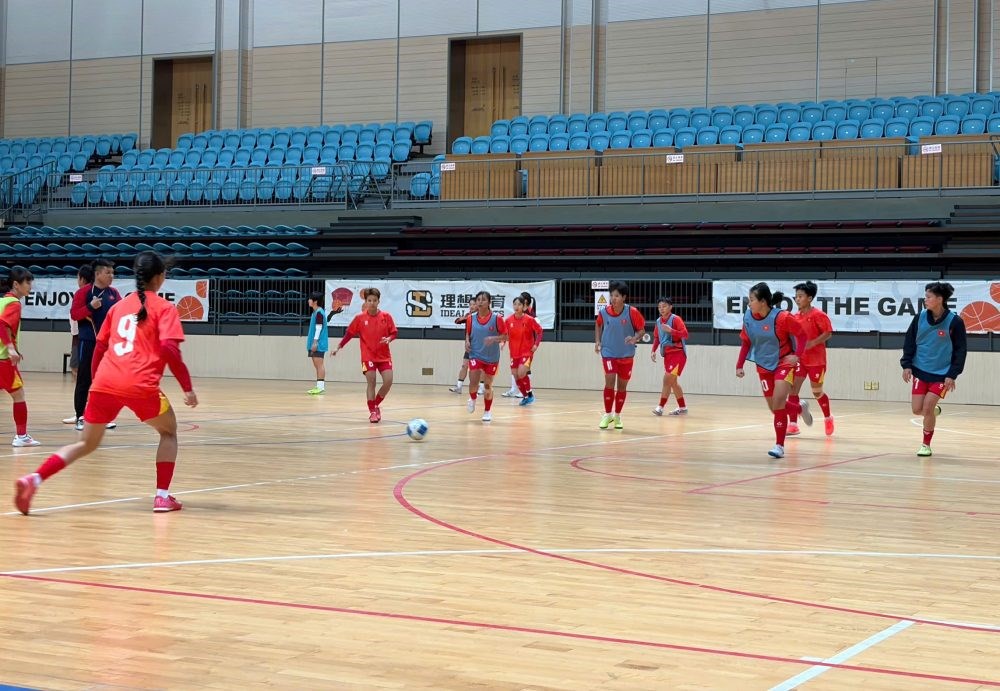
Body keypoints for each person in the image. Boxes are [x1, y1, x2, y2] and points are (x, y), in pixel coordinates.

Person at [14, 251, 198, 515]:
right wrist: (187, 388)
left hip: (105, 382)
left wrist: (94, 383)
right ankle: (162, 497)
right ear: (160, 278)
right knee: (169, 432)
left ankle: (34, 479)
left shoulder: (118, 307)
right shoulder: (165, 308)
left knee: (85, 443)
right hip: (140, 384)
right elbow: (170, 349)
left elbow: (100, 347)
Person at [735, 282, 808, 458]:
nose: (749, 303)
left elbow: (802, 335)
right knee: (774, 407)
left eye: (751, 300)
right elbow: (746, 342)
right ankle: (799, 408)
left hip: (784, 362)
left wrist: (797, 355)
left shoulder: (782, 318)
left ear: (763, 301)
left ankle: (779, 446)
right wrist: (739, 364)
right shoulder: (748, 317)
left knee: (778, 401)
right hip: (763, 364)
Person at [900, 281, 967, 457]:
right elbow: (909, 341)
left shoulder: (955, 322)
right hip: (920, 370)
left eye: (929, 297)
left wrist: (952, 374)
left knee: (927, 407)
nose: (925, 299)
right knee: (917, 409)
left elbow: (961, 350)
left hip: (942, 374)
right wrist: (906, 364)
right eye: (925, 296)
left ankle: (925, 445)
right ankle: (933, 412)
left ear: (939, 299)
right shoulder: (919, 317)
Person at [331, 287, 398, 423]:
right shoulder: (360, 318)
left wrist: (389, 339)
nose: (372, 303)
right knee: (371, 381)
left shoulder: (386, 316)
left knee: (388, 381)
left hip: (384, 356)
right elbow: (349, 334)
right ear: (365, 302)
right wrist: (339, 347)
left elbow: (394, 333)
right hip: (368, 356)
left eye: (374, 300)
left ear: (379, 301)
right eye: (369, 300)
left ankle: (375, 404)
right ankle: (372, 411)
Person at [70, 259, 121, 431]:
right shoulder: (84, 293)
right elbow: (75, 314)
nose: (111, 276)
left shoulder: (114, 293)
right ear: (98, 274)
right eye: (108, 272)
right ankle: (81, 417)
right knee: (84, 379)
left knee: (105, 381)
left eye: (113, 273)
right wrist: (90, 307)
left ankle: (102, 415)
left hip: (108, 345)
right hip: (89, 342)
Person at [595, 280, 646, 429]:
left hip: (626, 355)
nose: (613, 299)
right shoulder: (604, 312)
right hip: (608, 353)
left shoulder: (632, 312)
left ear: (624, 297)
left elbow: (642, 330)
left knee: (622, 387)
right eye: (611, 296)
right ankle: (607, 414)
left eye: (616, 296)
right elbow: (598, 324)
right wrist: (597, 341)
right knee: (609, 382)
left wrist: (635, 338)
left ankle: (617, 416)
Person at [0, 266, 41, 447]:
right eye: (27, 283)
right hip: (3, 359)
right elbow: (1, 325)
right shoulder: (14, 304)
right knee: (19, 395)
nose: (30, 286)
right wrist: (10, 348)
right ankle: (21, 436)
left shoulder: (2, 302)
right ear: (16, 284)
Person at [788, 281, 834, 436]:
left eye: (800, 296)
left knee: (817, 391)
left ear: (809, 298)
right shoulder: (794, 317)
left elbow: (828, 333)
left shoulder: (819, 315)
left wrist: (812, 343)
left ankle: (828, 418)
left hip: (816, 360)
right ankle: (793, 424)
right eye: (796, 297)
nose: (797, 299)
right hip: (800, 359)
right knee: (793, 388)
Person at [465, 290, 508, 422]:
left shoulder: (497, 319)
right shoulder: (470, 318)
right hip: (475, 354)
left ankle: (487, 411)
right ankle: (472, 398)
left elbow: (506, 336)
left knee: (488, 385)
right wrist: (466, 341)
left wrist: (494, 338)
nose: (480, 302)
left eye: (483, 300)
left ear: (489, 302)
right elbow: (468, 333)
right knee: (473, 380)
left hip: (491, 357)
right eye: (478, 300)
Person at [63, 264, 95, 424]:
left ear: (82, 279)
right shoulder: (86, 294)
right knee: (85, 377)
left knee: (81, 376)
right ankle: (83, 410)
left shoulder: (83, 294)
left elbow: (76, 320)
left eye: (78, 277)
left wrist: (75, 346)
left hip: (80, 340)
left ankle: (82, 412)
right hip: (80, 339)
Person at [650, 297, 689, 416]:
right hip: (667, 355)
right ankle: (682, 408)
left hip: (678, 353)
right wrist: (653, 350)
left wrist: (671, 331)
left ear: (670, 307)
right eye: (659, 307)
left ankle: (660, 407)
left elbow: (685, 334)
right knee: (673, 383)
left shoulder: (676, 319)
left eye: (664, 306)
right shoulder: (658, 321)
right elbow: (657, 337)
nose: (661, 309)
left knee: (666, 380)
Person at [504, 295, 543, 406]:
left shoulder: (529, 320)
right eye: (515, 304)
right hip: (514, 352)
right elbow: (504, 334)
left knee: (521, 373)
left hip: (526, 352)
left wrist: (536, 345)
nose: (517, 306)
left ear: (524, 307)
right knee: (515, 375)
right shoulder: (508, 320)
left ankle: (530, 394)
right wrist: (502, 341)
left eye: (519, 304)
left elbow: (540, 331)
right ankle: (525, 396)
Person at [449, 300, 484, 396]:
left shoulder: (481, 316)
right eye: (470, 304)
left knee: (480, 368)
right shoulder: (469, 316)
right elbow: (457, 321)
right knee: (464, 365)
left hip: (480, 346)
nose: (472, 306)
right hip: (469, 346)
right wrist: (464, 317)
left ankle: (481, 387)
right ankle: (459, 386)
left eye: (474, 304)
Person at [305, 291, 329, 395]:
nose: (308, 300)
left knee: (319, 365)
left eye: (310, 299)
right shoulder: (316, 312)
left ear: (315, 301)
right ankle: (319, 386)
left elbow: (318, 328)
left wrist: (315, 342)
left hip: (318, 343)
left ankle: (320, 387)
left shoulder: (319, 312)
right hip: (315, 343)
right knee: (317, 365)